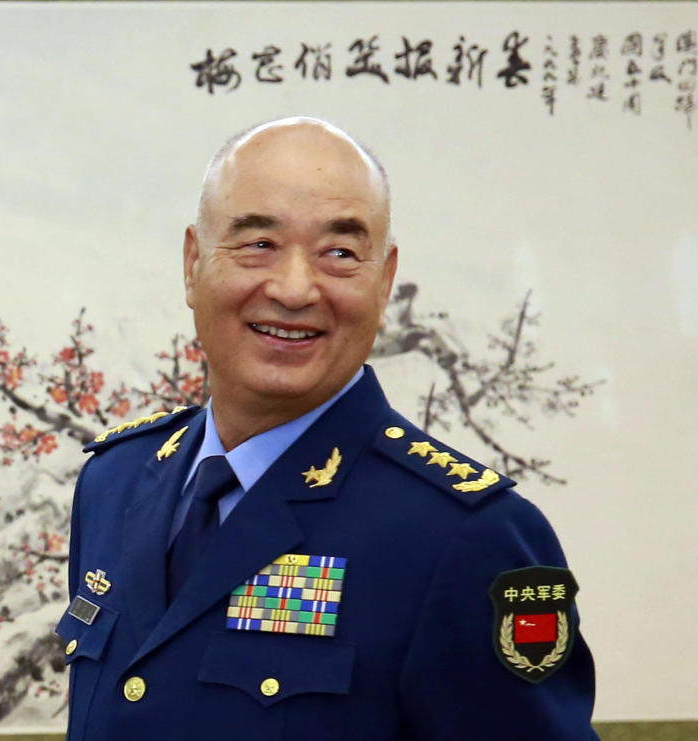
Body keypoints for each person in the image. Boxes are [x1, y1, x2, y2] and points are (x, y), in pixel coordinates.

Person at [56, 117, 598, 740]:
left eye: (339, 254)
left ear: (384, 279)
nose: (293, 289)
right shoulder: (116, 481)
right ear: (192, 264)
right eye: (258, 243)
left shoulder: (468, 537)